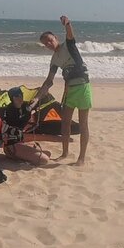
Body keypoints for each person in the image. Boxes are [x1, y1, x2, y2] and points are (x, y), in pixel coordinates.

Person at [37, 15, 91, 165]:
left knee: (83, 124)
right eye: (45, 43)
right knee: (64, 123)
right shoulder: (54, 60)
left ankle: (81, 158)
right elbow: (49, 81)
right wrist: (38, 95)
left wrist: (67, 23)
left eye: (49, 39)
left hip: (82, 88)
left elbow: (70, 35)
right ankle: (65, 153)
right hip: (69, 91)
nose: (48, 43)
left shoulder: (68, 45)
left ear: (55, 37)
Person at [2, 87, 50, 165]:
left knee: (48, 153)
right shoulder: (10, 110)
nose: (20, 98)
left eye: (21, 95)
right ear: (12, 98)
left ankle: (20, 157)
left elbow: (36, 100)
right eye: (16, 96)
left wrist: (43, 91)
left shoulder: (24, 107)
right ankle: (19, 158)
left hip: (20, 143)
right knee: (44, 160)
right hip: (11, 146)